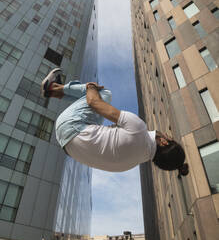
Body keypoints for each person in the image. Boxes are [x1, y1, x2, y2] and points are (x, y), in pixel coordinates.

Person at [41, 68, 189, 176]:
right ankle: (56, 91)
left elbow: (93, 102)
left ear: (163, 142)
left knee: (104, 94)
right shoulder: (130, 164)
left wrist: (90, 87)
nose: (167, 134)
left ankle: (53, 87)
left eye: (169, 137)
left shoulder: (139, 129)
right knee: (97, 112)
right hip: (66, 144)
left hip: (70, 126)